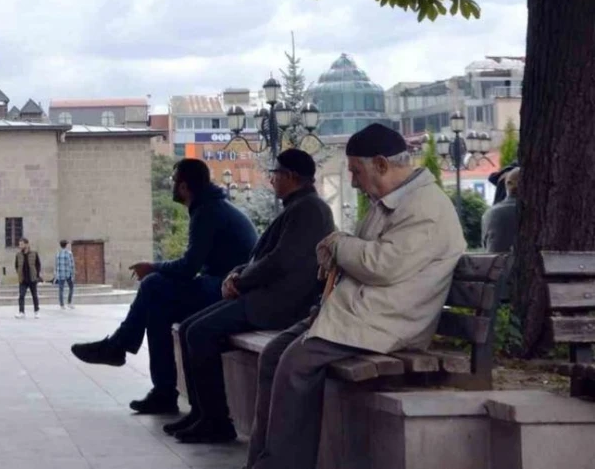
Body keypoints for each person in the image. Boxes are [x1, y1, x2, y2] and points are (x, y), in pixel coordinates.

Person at [247, 123, 466, 469]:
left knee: (294, 365)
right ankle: (262, 460)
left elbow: (382, 264)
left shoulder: (426, 207)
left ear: (381, 164)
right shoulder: (393, 201)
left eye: (356, 171)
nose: (352, 181)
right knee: (274, 354)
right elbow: (367, 255)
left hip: (387, 322)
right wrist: (341, 250)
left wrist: (338, 242)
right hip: (362, 313)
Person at [168, 149, 335, 444]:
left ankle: (217, 421)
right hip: (266, 296)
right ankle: (202, 413)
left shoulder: (310, 209)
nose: (271, 180)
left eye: (275, 174)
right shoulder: (297, 206)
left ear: (291, 176)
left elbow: (281, 260)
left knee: (201, 333)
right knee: (190, 327)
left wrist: (241, 282)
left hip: (282, 303)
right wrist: (237, 273)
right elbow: (264, 255)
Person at [71, 158, 259, 415]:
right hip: (222, 284)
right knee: (157, 309)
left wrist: (154, 267)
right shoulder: (212, 207)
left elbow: (188, 267)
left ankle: (119, 347)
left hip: (227, 289)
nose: (171, 186)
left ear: (183, 187)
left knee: (152, 285)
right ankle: (163, 392)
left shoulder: (208, 212)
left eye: (173, 181)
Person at [482, 168, 520, 254]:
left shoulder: (490, 213)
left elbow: (486, 244)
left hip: (495, 264)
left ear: (507, 184)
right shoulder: (540, 212)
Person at [15, 238, 42, 319]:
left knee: (34, 295)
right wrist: (19, 273)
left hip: (32, 278)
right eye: (19, 244)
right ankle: (21, 312)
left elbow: (38, 265)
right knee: (21, 296)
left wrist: (36, 275)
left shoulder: (34, 253)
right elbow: (16, 265)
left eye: (22, 244)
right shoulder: (18, 255)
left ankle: (36, 311)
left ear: (27, 244)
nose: (20, 246)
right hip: (23, 279)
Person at [55, 239, 75, 309]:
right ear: (66, 245)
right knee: (71, 288)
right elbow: (71, 264)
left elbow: (56, 265)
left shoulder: (58, 254)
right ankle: (69, 303)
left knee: (61, 290)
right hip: (68, 273)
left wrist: (56, 275)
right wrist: (72, 274)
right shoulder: (69, 253)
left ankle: (62, 305)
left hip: (60, 274)